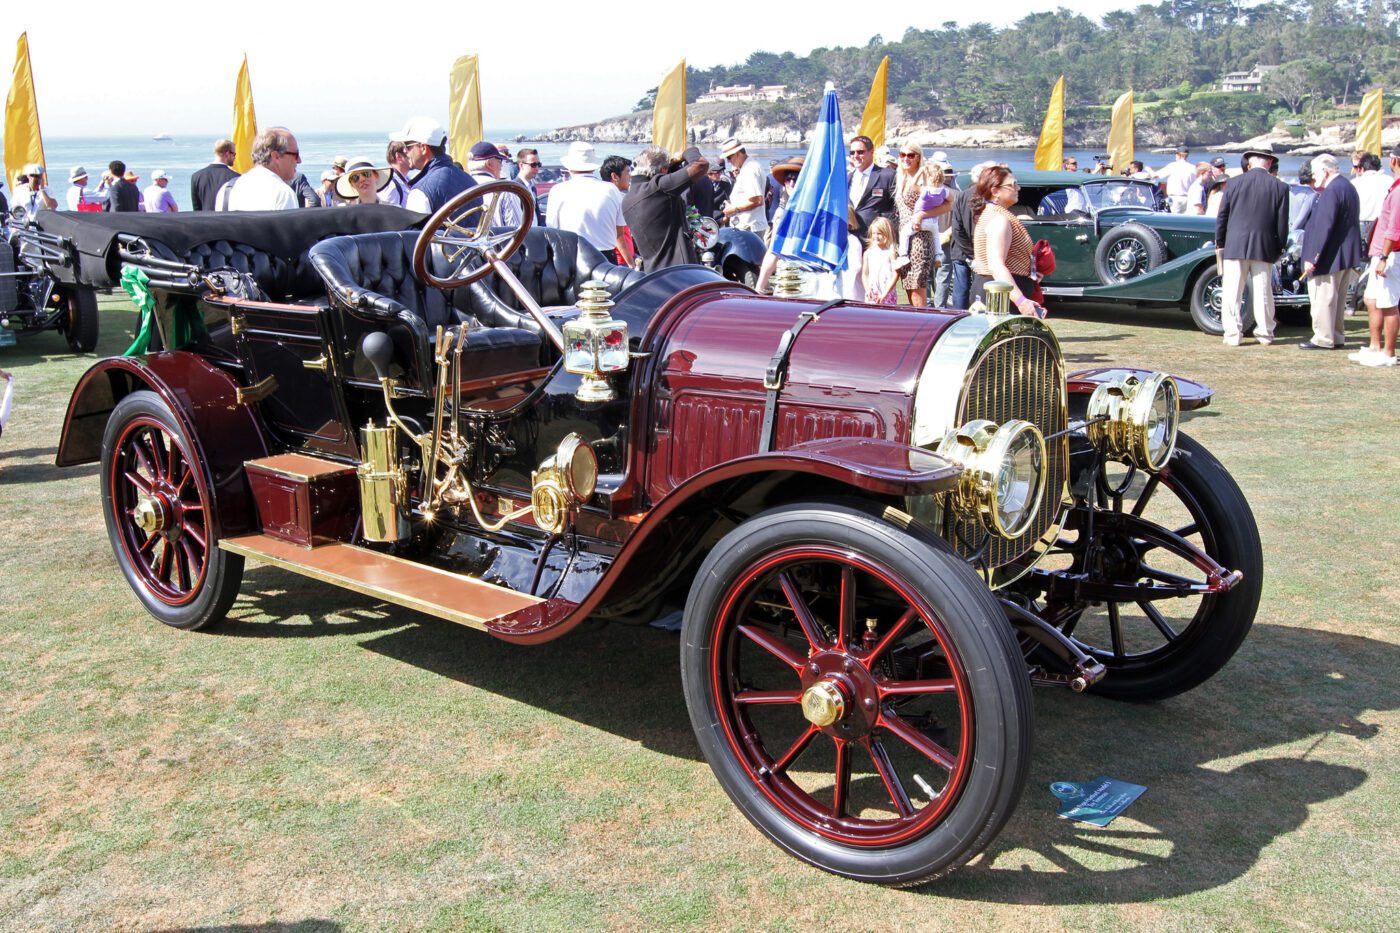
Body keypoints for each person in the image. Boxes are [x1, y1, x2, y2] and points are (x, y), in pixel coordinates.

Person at [1214, 149, 1289, 346]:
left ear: (1250, 162)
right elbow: (1282, 224)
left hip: (1235, 243)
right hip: (1264, 246)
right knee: (1263, 291)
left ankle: (1232, 334)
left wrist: (1220, 241)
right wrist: (1280, 247)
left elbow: (1222, 216)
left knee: (1232, 292)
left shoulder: (1234, 183)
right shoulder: (1280, 187)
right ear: (1270, 162)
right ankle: (1264, 332)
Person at [1296, 154, 1364, 351]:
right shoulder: (1347, 187)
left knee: (1323, 298)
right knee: (1337, 299)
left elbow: (1323, 226)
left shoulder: (1332, 190)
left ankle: (1323, 338)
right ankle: (1336, 334)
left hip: (1329, 255)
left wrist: (1312, 257)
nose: (1314, 177)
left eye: (1316, 172)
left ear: (1325, 171)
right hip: (1343, 254)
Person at [969, 165, 1046, 317]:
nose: (1018, 188)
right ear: (995, 191)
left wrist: (1026, 270)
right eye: (1012, 185)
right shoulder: (999, 219)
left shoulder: (994, 214)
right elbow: (996, 265)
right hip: (999, 296)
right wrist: (1021, 301)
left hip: (998, 290)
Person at [622, 146, 708, 271]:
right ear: (663, 170)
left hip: (653, 272)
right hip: (680, 270)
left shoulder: (628, 199)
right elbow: (701, 164)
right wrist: (686, 152)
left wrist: (670, 165)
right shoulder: (658, 187)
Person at [1353, 143, 1400, 367]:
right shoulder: (1393, 186)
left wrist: (1383, 257)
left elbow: (1394, 228)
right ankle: (1375, 345)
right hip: (1380, 249)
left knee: (1388, 302)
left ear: (1394, 161)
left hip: (1389, 252)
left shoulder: (1398, 190)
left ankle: (1389, 352)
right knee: (1372, 298)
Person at [546, 141, 629, 264]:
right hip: (605, 257)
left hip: (572, 256)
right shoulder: (611, 190)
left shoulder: (558, 190)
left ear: (569, 167)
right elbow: (619, 233)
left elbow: (552, 230)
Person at [893, 143, 949, 307]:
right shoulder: (901, 178)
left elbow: (949, 202)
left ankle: (923, 326)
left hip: (920, 240)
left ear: (919, 157)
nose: (905, 159)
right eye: (902, 155)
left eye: (911, 155)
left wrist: (923, 215)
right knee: (909, 285)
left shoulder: (924, 178)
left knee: (917, 286)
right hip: (906, 240)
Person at [390, 116, 476, 214]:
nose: (405, 151)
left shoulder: (420, 192)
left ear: (423, 148)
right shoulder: (471, 182)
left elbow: (419, 229)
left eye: (407, 146)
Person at [948, 160, 999, 310]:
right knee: (979, 290)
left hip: (962, 251)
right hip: (977, 252)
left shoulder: (961, 196)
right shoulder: (985, 197)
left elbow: (956, 229)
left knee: (960, 291)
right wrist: (975, 254)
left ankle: (959, 316)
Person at [754, 156, 805, 293]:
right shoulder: (781, 213)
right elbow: (773, 251)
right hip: (786, 278)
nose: (791, 183)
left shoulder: (817, 211)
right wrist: (759, 287)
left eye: (796, 178)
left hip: (810, 280)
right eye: (788, 179)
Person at [224, 127, 301, 211]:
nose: (299, 160)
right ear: (276, 156)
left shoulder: (227, 190)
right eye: (296, 155)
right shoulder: (283, 194)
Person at [846, 134, 895, 241]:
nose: (855, 155)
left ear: (871, 152)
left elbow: (898, 208)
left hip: (877, 241)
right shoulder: (846, 179)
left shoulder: (887, 176)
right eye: (852, 152)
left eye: (860, 152)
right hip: (851, 240)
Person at [719, 138, 768, 237]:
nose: (728, 161)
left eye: (729, 157)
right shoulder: (750, 167)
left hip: (749, 227)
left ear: (738, 153)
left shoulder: (749, 170)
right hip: (750, 226)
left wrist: (734, 209)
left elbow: (757, 200)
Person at [928, 153, 958, 306]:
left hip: (939, 237)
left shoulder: (927, 193)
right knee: (941, 275)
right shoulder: (955, 194)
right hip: (942, 238)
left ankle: (929, 306)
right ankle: (938, 306)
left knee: (936, 274)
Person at [1352, 151, 1391, 246]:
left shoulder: (1355, 183)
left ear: (1362, 168)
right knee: (1379, 258)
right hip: (1381, 226)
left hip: (1359, 226)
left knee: (1360, 258)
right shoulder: (1389, 181)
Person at [190, 139, 239, 211]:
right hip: (226, 221)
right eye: (234, 154)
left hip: (205, 221)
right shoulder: (236, 177)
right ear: (227, 154)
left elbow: (197, 210)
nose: (234, 157)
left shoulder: (196, 177)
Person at [862, 217, 899, 305]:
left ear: (886, 234)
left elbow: (896, 274)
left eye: (879, 233)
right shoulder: (868, 253)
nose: (875, 236)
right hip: (872, 294)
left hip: (887, 294)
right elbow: (864, 274)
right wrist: (867, 290)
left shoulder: (890, 252)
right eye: (873, 233)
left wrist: (885, 293)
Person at [1158, 146, 1197, 213]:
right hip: (1188, 199)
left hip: (1174, 199)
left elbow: (1156, 175)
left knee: (1173, 220)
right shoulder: (1193, 168)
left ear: (1178, 155)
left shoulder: (1172, 166)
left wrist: (1148, 170)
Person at [515, 148, 544, 224]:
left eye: (538, 164)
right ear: (521, 165)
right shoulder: (515, 189)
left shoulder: (532, 187)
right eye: (533, 165)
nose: (537, 168)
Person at [381, 141, 412, 207]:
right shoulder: (391, 185)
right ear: (398, 156)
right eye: (408, 152)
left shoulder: (405, 179)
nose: (412, 156)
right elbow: (388, 214)